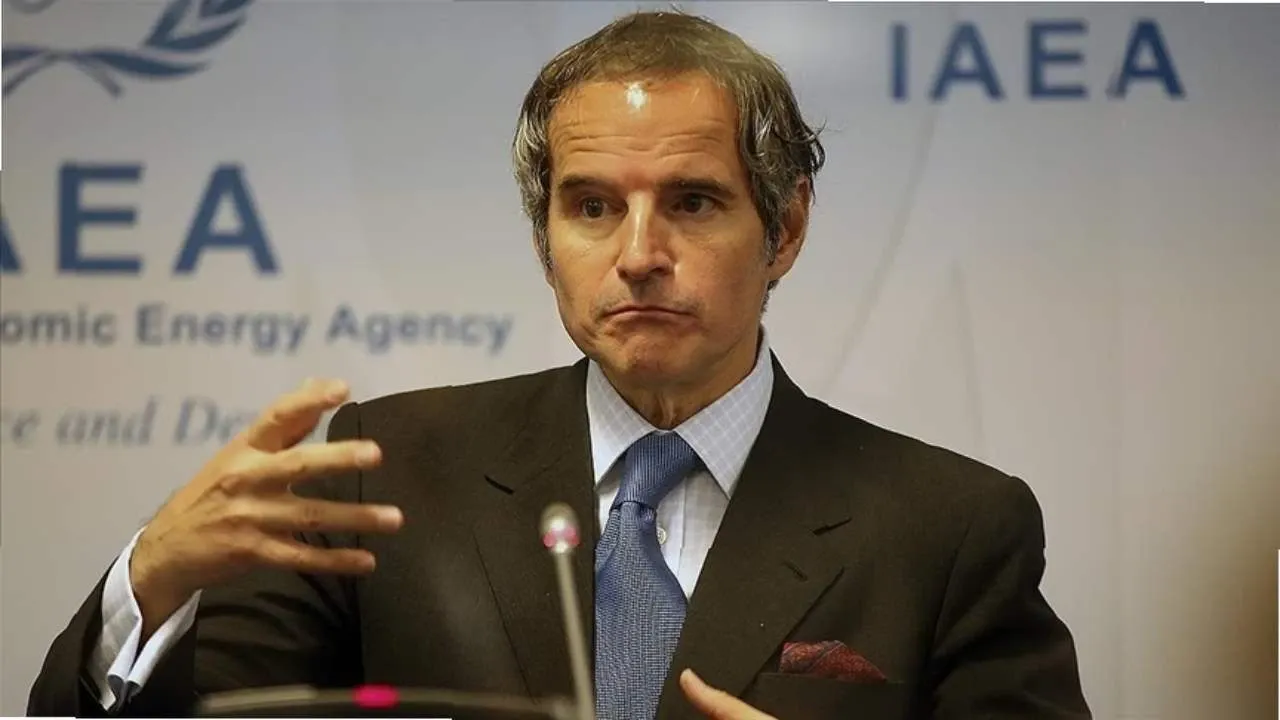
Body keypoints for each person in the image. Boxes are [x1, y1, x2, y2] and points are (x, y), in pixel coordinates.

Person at [27, 10, 1090, 720]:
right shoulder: (381, 470)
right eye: (591, 206)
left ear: (786, 228)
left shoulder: (950, 527)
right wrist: (150, 581)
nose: (638, 253)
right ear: (545, 237)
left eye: (692, 202)